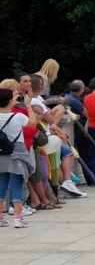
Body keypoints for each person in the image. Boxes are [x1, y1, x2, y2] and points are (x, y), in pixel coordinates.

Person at [0, 89, 37, 228]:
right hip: (17, 152)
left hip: (1, 153)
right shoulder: (17, 117)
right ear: (10, 101)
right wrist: (27, 105)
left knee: (1, 185)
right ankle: (18, 217)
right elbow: (33, 123)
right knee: (16, 184)